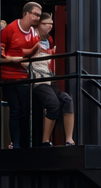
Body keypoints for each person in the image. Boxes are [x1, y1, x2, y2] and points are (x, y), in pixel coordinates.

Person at [0, 1, 42, 149]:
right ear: (26, 14)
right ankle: (16, 144)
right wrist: (12, 59)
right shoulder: (9, 30)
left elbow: (32, 54)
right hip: (9, 76)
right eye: (35, 14)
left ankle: (23, 144)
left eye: (39, 15)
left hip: (24, 76)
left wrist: (30, 58)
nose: (37, 18)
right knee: (16, 110)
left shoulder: (34, 33)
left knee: (25, 111)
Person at [29, 11, 75, 146]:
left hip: (48, 75)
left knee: (67, 100)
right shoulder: (31, 36)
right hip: (36, 77)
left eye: (51, 24)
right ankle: (45, 140)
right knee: (52, 103)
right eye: (45, 24)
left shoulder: (48, 39)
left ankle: (69, 139)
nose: (49, 27)